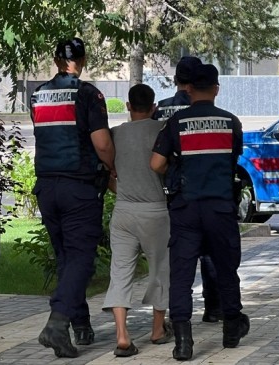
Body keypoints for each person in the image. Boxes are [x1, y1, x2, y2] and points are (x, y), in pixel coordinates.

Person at [150, 63, 249, 361]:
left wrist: (175, 174)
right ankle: (231, 328)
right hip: (220, 207)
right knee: (225, 268)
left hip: (186, 209)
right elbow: (232, 162)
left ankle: (183, 342)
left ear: (189, 88)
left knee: (181, 274)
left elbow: (156, 164)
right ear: (217, 89)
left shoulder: (177, 123)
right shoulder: (231, 122)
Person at [30, 37, 116, 359]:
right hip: (79, 187)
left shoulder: (37, 95)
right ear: (83, 60)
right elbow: (103, 144)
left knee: (67, 256)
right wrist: (113, 169)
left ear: (56, 60)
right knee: (81, 257)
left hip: (47, 188)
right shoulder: (88, 94)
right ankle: (57, 323)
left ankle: (79, 326)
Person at [101, 83, 173, 357]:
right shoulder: (163, 131)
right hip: (157, 211)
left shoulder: (115, 135)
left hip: (124, 211)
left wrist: (125, 189)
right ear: (154, 106)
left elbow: (109, 178)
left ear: (129, 106)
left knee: (120, 272)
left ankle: (122, 335)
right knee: (160, 269)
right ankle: (157, 330)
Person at [153, 56, 223, 324]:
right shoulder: (207, 111)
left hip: (169, 191)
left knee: (179, 254)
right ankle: (213, 306)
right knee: (208, 253)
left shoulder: (160, 109)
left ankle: (175, 313)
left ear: (176, 80)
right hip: (204, 189)